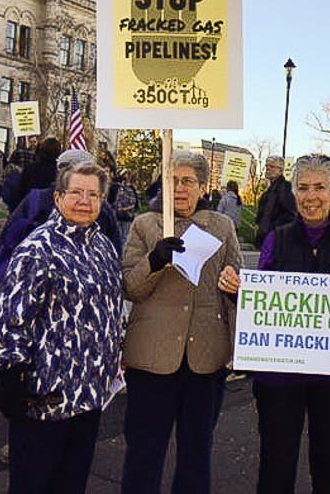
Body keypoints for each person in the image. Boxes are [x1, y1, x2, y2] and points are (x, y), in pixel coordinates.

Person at [0, 160, 124, 493]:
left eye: (93, 194)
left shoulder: (103, 247)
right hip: (44, 396)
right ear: (58, 197)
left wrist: (119, 346)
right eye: (76, 192)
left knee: (71, 484)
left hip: (89, 396)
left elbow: (112, 307)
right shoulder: (38, 248)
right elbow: (10, 313)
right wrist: (9, 373)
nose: (84, 200)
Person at [236, 153, 330, 494]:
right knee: (275, 465)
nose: (311, 196)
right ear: (294, 192)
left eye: (319, 187)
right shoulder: (276, 239)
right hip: (279, 378)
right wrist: (237, 290)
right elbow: (259, 306)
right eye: (303, 187)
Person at [121, 151, 241, 494]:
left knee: (195, 453)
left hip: (205, 360)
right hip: (152, 360)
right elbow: (131, 287)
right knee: (144, 453)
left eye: (188, 181)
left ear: (203, 187)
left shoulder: (222, 227)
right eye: (173, 180)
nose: (180, 188)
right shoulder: (146, 225)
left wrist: (235, 288)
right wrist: (155, 260)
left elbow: (237, 284)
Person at [0, 149, 122, 287]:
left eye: (93, 195)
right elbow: (8, 239)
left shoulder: (102, 211)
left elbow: (114, 254)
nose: (84, 202)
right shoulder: (37, 205)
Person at [254, 155, 296, 248]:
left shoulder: (285, 188)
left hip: (276, 239)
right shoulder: (269, 190)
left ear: (280, 170)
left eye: (272, 166)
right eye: (267, 166)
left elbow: (290, 214)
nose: (268, 169)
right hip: (266, 237)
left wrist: (273, 230)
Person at [17, 137, 61, 207]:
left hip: (30, 205)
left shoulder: (30, 168)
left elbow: (20, 191)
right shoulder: (59, 172)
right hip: (48, 208)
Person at [108, 168, 139, 244]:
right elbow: (136, 205)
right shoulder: (131, 188)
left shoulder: (112, 187)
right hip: (128, 219)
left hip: (115, 218)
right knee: (126, 241)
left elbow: (108, 203)